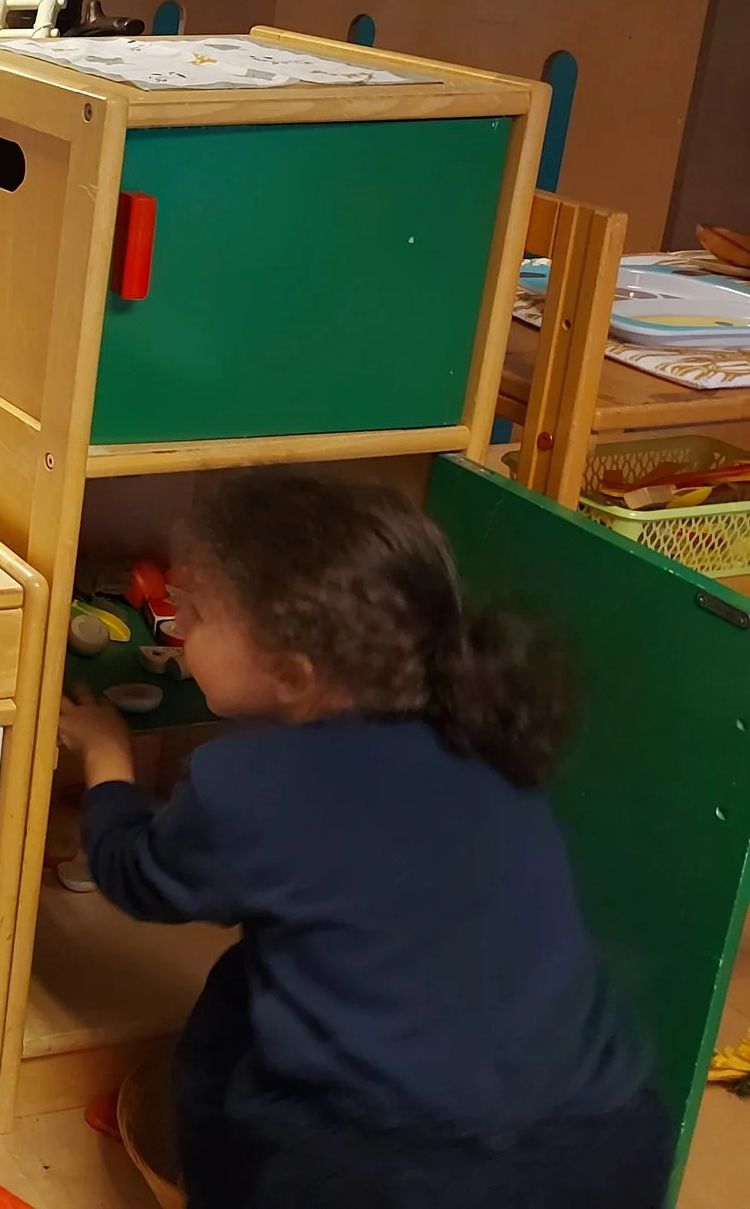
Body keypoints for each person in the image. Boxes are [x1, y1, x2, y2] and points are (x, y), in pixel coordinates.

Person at [56, 473, 669, 1209]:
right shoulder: (484, 736)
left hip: (395, 1174)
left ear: (292, 672)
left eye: (199, 612)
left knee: (229, 1047)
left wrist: (107, 758)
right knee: (250, 980)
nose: (180, 627)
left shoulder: (250, 784)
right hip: (604, 1144)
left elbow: (137, 873)